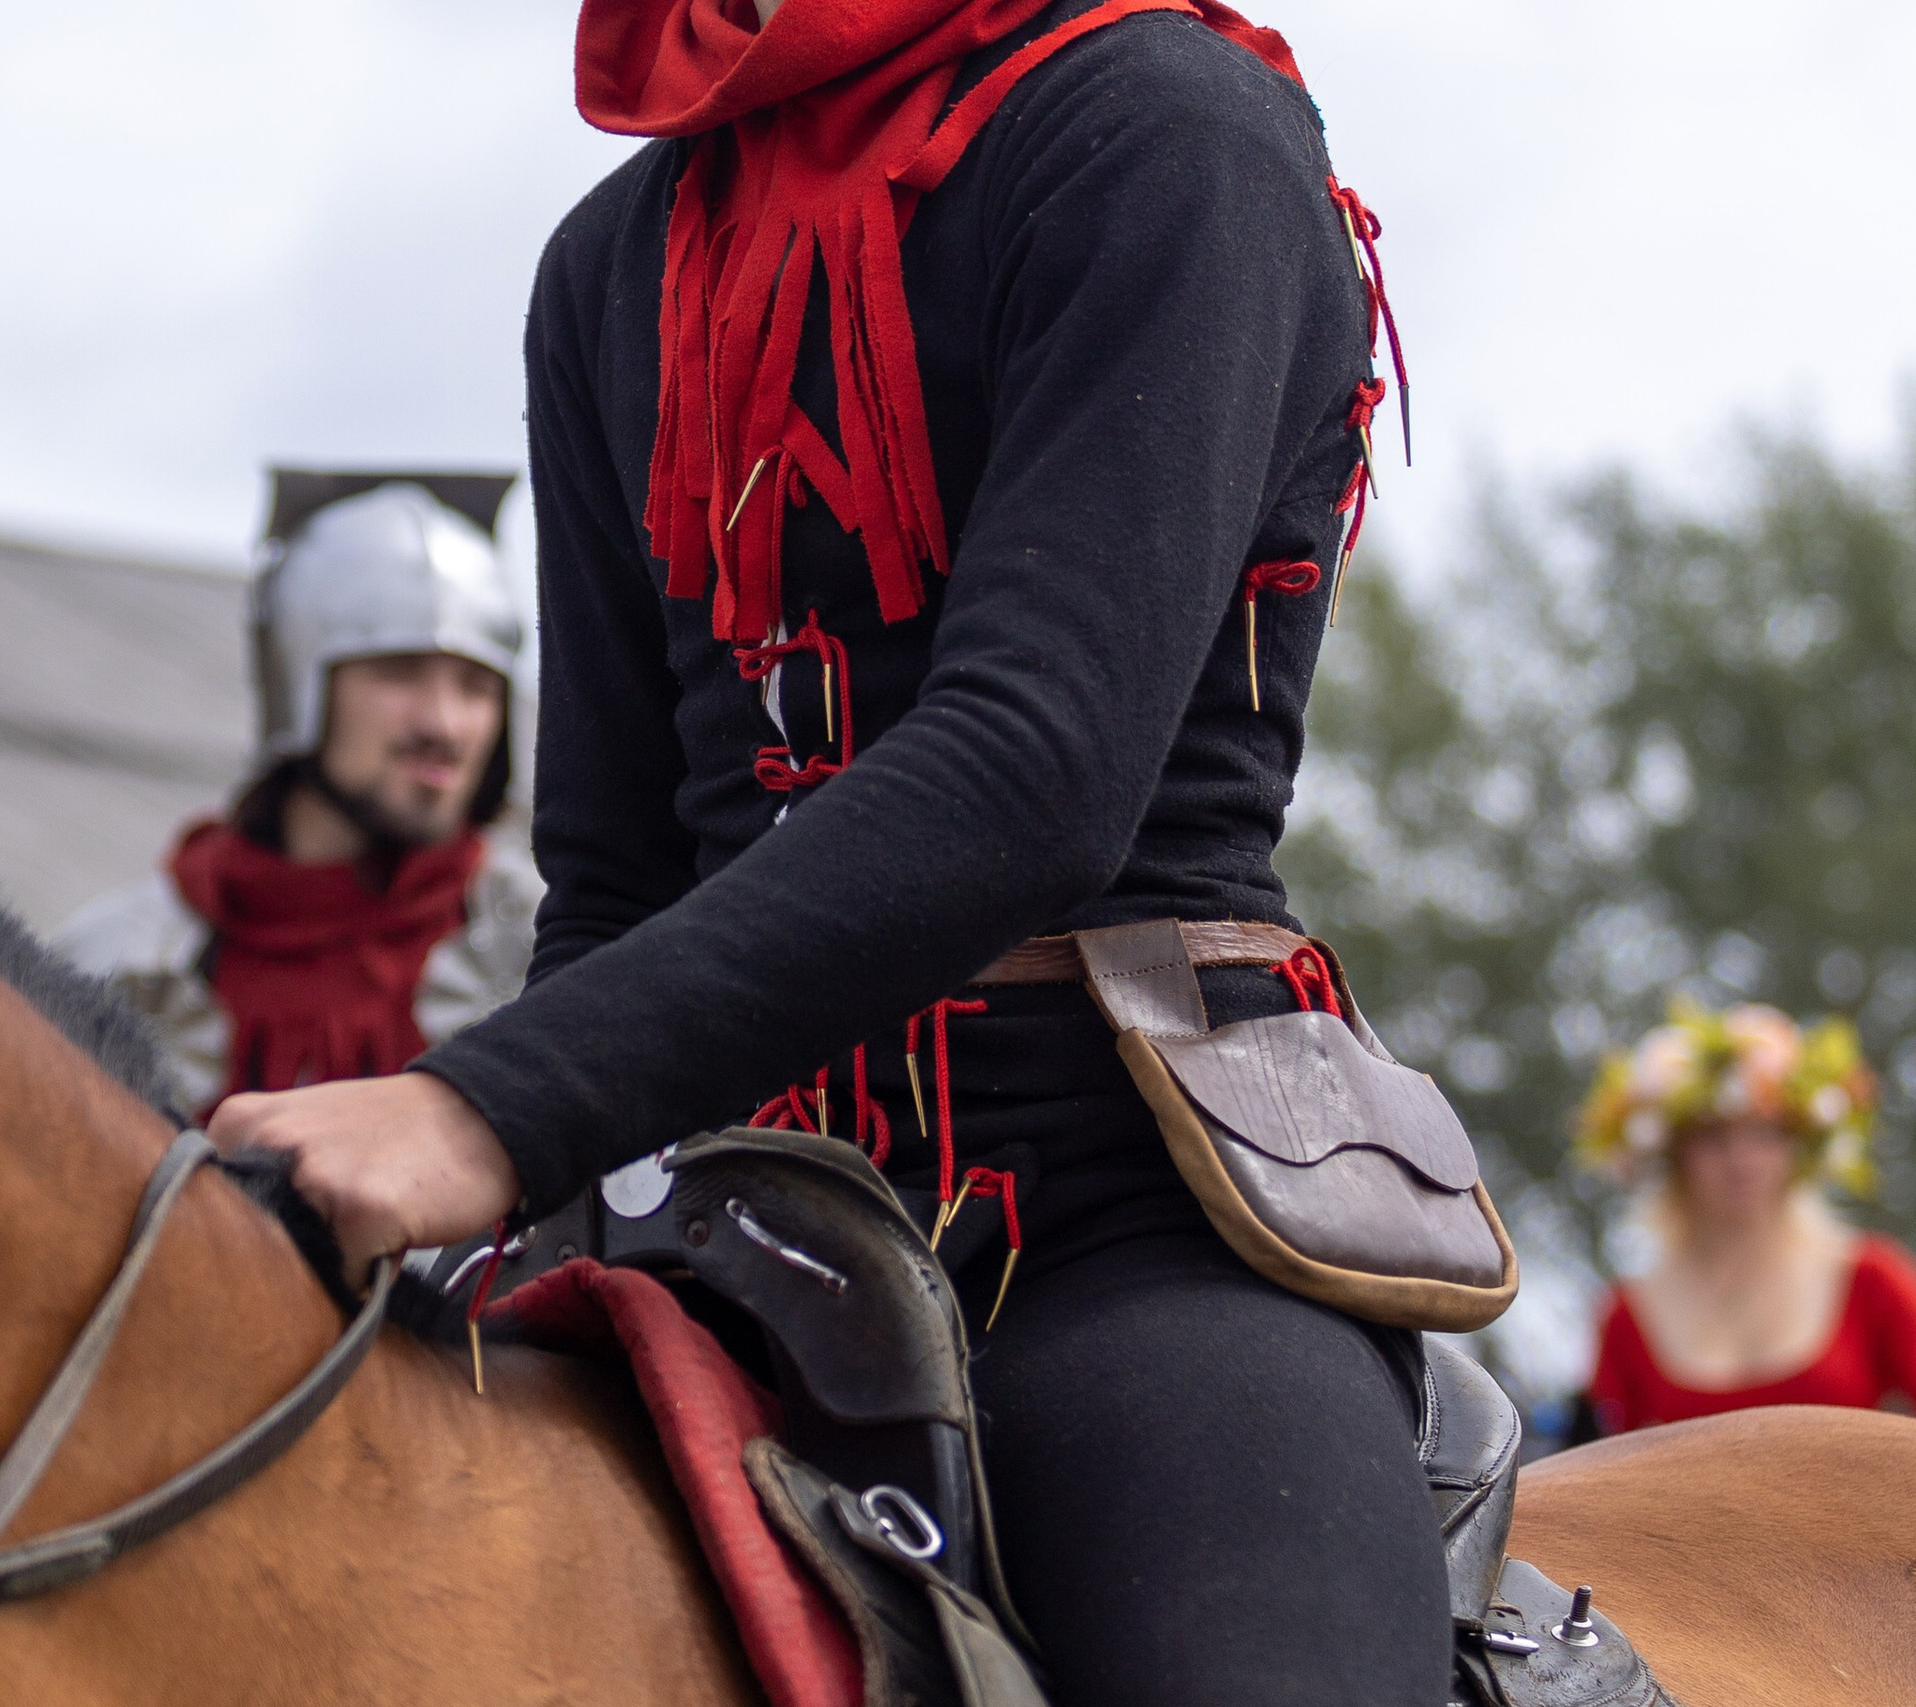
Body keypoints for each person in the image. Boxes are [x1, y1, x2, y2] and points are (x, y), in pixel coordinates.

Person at [211, 2, 1452, 1702]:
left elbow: (1035, 775)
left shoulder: (1172, 129)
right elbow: (615, 883)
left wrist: (477, 1110)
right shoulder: (614, 257)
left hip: (1123, 1209)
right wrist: (535, 1225)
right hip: (715, 1223)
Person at [55, 474, 538, 1119]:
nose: (444, 725)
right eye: (398, 672)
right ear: (301, 680)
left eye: (476, 685)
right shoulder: (112, 964)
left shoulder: (552, 955)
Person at [1574, 1001, 1916, 1435]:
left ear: (1800, 1149)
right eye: (1712, 1137)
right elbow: (1602, 1476)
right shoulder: (1627, 1316)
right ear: (1672, 1155)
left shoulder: (1872, 1281)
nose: (1741, 1161)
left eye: (1765, 1134)